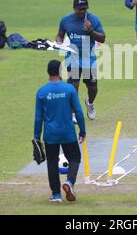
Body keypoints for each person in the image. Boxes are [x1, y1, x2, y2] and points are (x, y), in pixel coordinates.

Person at [34, 60, 86, 202]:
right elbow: (79, 112)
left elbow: (38, 118)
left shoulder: (42, 92)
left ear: (48, 72)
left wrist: (36, 137)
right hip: (68, 132)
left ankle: (56, 194)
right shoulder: (69, 89)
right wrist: (82, 131)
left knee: (52, 162)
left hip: (50, 134)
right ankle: (69, 182)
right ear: (60, 71)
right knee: (75, 158)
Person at [56, 0, 106, 121]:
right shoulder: (66, 20)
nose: (81, 11)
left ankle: (90, 103)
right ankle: (73, 112)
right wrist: (58, 42)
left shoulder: (93, 20)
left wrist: (90, 30)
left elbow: (102, 38)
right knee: (73, 84)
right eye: (79, 9)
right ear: (74, 8)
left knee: (92, 87)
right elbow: (59, 35)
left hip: (89, 58)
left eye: (84, 9)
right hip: (73, 57)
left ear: (87, 8)